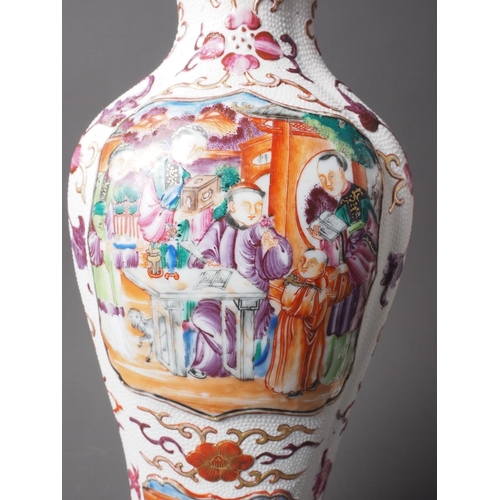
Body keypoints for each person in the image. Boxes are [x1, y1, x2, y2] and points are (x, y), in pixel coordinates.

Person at [187, 182, 293, 378]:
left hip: (252, 298)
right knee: (204, 317)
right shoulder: (219, 227)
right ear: (232, 207)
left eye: (258, 206)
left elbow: (277, 267)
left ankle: (235, 361)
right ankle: (213, 361)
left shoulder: (263, 231)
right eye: (247, 205)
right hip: (218, 296)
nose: (253, 212)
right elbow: (200, 255)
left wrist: (274, 248)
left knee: (242, 324)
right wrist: (208, 262)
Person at [305, 150, 378, 382]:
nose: (327, 182)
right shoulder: (340, 203)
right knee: (335, 321)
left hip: (352, 274)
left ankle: (334, 375)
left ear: (342, 172)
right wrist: (321, 234)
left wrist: (350, 263)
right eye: (322, 178)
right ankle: (327, 373)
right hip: (340, 275)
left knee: (346, 322)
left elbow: (370, 236)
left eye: (331, 176)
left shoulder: (359, 199)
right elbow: (337, 239)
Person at [265, 250, 337, 398]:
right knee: (295, 355)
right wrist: (319, 298)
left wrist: (327, 298)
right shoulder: (295, 278)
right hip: (294, 324)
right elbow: (288, 302)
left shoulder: (322, 279)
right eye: (302, 261)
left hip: (314, 324)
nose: (304, 266)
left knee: (312, 353)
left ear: (321, 268)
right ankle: (290, 386)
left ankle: (309, 381)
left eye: (312, 264)